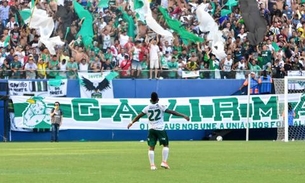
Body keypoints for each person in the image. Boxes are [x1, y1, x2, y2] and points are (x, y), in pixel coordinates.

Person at [127, 92, 190, 170]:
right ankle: (164, 162)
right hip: (160, 129)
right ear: (158, 99)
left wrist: (131, 122)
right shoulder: (161, 106)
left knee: (151, 147)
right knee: (165, 145)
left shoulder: (146, 108)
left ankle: (152, 165)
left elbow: (139, 116)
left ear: (150, 100)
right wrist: (183, 115)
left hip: (151, 129)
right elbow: (172, 112)